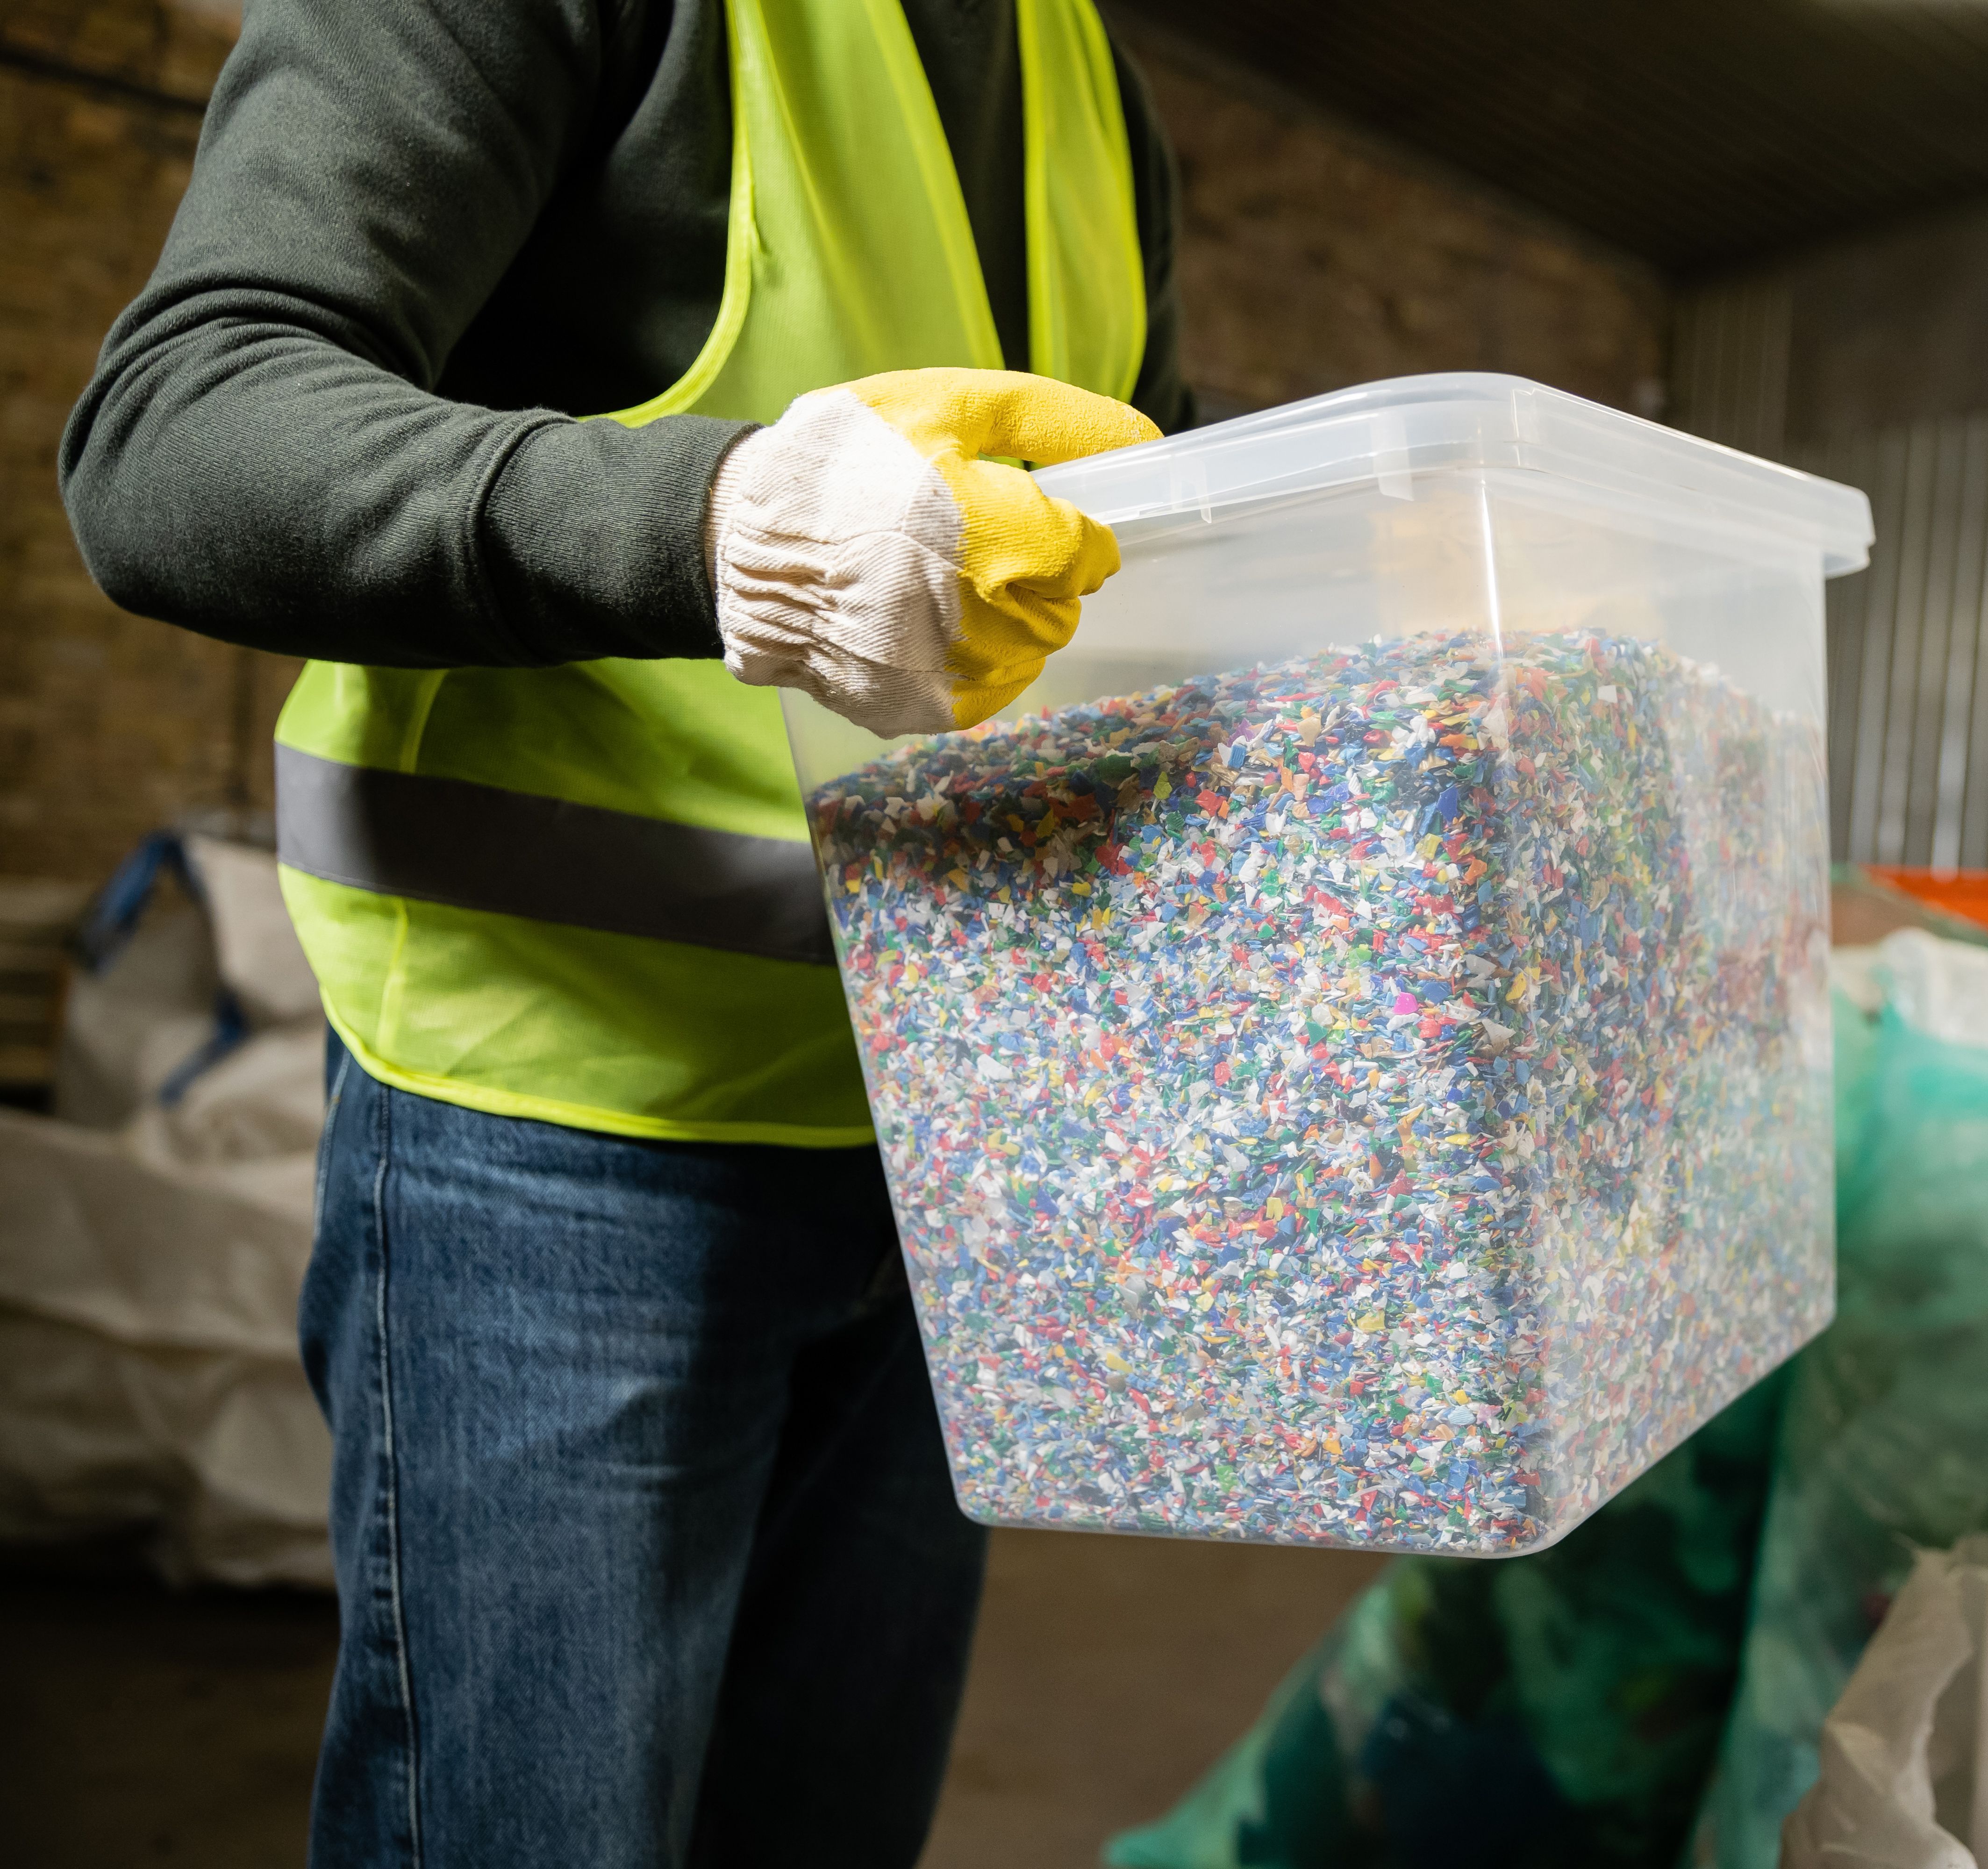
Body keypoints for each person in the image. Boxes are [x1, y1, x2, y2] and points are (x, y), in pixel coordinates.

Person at [60, 0, 1190, 1862]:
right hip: (563, 1130)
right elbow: (174, 430)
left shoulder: (1087, 73)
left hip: (939, 1148)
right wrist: (715, 523)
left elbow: (1121, 532)